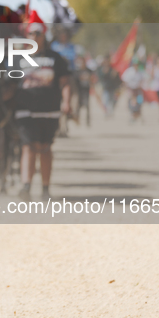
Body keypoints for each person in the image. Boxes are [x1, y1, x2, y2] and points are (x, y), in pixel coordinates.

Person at [13, 15, 71, 201]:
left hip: (50, 109)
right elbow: (9, 84)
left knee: (45, 148)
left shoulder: (56, 58)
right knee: (28, 146)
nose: (35, 36)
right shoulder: (17, 59)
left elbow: (65, 83)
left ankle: (45, 189)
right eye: (31, 33)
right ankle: (26, 186)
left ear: (44, 35)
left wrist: (67, 101)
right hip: (25, 109)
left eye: (38, 33)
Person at [74, 55, 93, 127]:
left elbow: (92, 79)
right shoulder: (77, 71)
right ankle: (77, 120)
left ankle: (88, 122)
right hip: (79, 91)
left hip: (86, 90)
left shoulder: (88, 70)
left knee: (87, 107)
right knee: (78, 107)